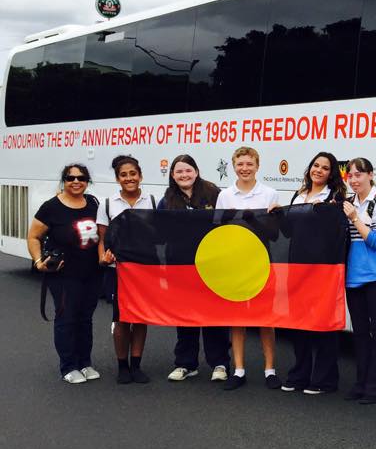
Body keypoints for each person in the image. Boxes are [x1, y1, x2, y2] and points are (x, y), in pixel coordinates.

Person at [158, 154, 231, 384]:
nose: (184, 175)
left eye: (188, 170)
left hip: (212, 264)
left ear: (196, 172)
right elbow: (159, 231)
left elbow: (227, 223)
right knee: (185, 315)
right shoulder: (166, 200)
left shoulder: (213, 193)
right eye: (179, 172)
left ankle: (219, 363)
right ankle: (185, 364)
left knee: (214, 315)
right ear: (172, 175)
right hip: (181, 266)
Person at [27, 164, 101, 384]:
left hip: (92, 273)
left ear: (87, 181)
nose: (76, 181)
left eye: (81, 178)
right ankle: (68, 366)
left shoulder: (93, 204)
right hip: (63, 275)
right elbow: (33, 237)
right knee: (66, 318)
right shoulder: (51, 207)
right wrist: (39, 261)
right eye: (70, 178)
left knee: (85, 319)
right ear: (64, 181)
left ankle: (84, 363)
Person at [281, 152, 348, 395]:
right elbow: (288, 230)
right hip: (297, 270)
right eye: (316, 165)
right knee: (298, 324)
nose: (319, 170)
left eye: (325, 167)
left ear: (332, 174)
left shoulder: (336, 198)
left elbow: (340, 235)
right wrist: (278, 212)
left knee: (323, 324)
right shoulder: (298, 195)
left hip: (323, 272)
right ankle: (299, 375)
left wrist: (327, 214)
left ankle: (324, 379)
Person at [216, 147, 281, 390]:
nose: (245, 168)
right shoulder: (225, 195)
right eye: (240, 164)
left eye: (249, 164)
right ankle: (239, 369)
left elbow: (275, 233)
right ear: (234, 166)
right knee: (237, 318)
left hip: (263, 263)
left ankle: (270, 370)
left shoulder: (270, 193)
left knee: (266, 318)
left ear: (257, 165)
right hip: (235, 264)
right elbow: (219, 230)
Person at [96, 155, 155, 384]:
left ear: (140, 176)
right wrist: (103, 257)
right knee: (121, 318)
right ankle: (122, 366)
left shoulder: (151, 200)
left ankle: (137, 364)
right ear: (117, 179)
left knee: (140, 317)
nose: (129, 178)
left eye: (133, 174)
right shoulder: (108, 204)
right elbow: (102, 238)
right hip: (117, 270)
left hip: (143, 270)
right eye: (124, 175)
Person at [342, 158, 376, 404]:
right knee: (360, 334)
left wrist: (354, 219)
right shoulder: (348, 202)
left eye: (358, 175)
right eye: (350, 176)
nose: (353, 180)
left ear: (370, 175)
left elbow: (375, 241)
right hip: (353, 278)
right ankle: (361, 383)